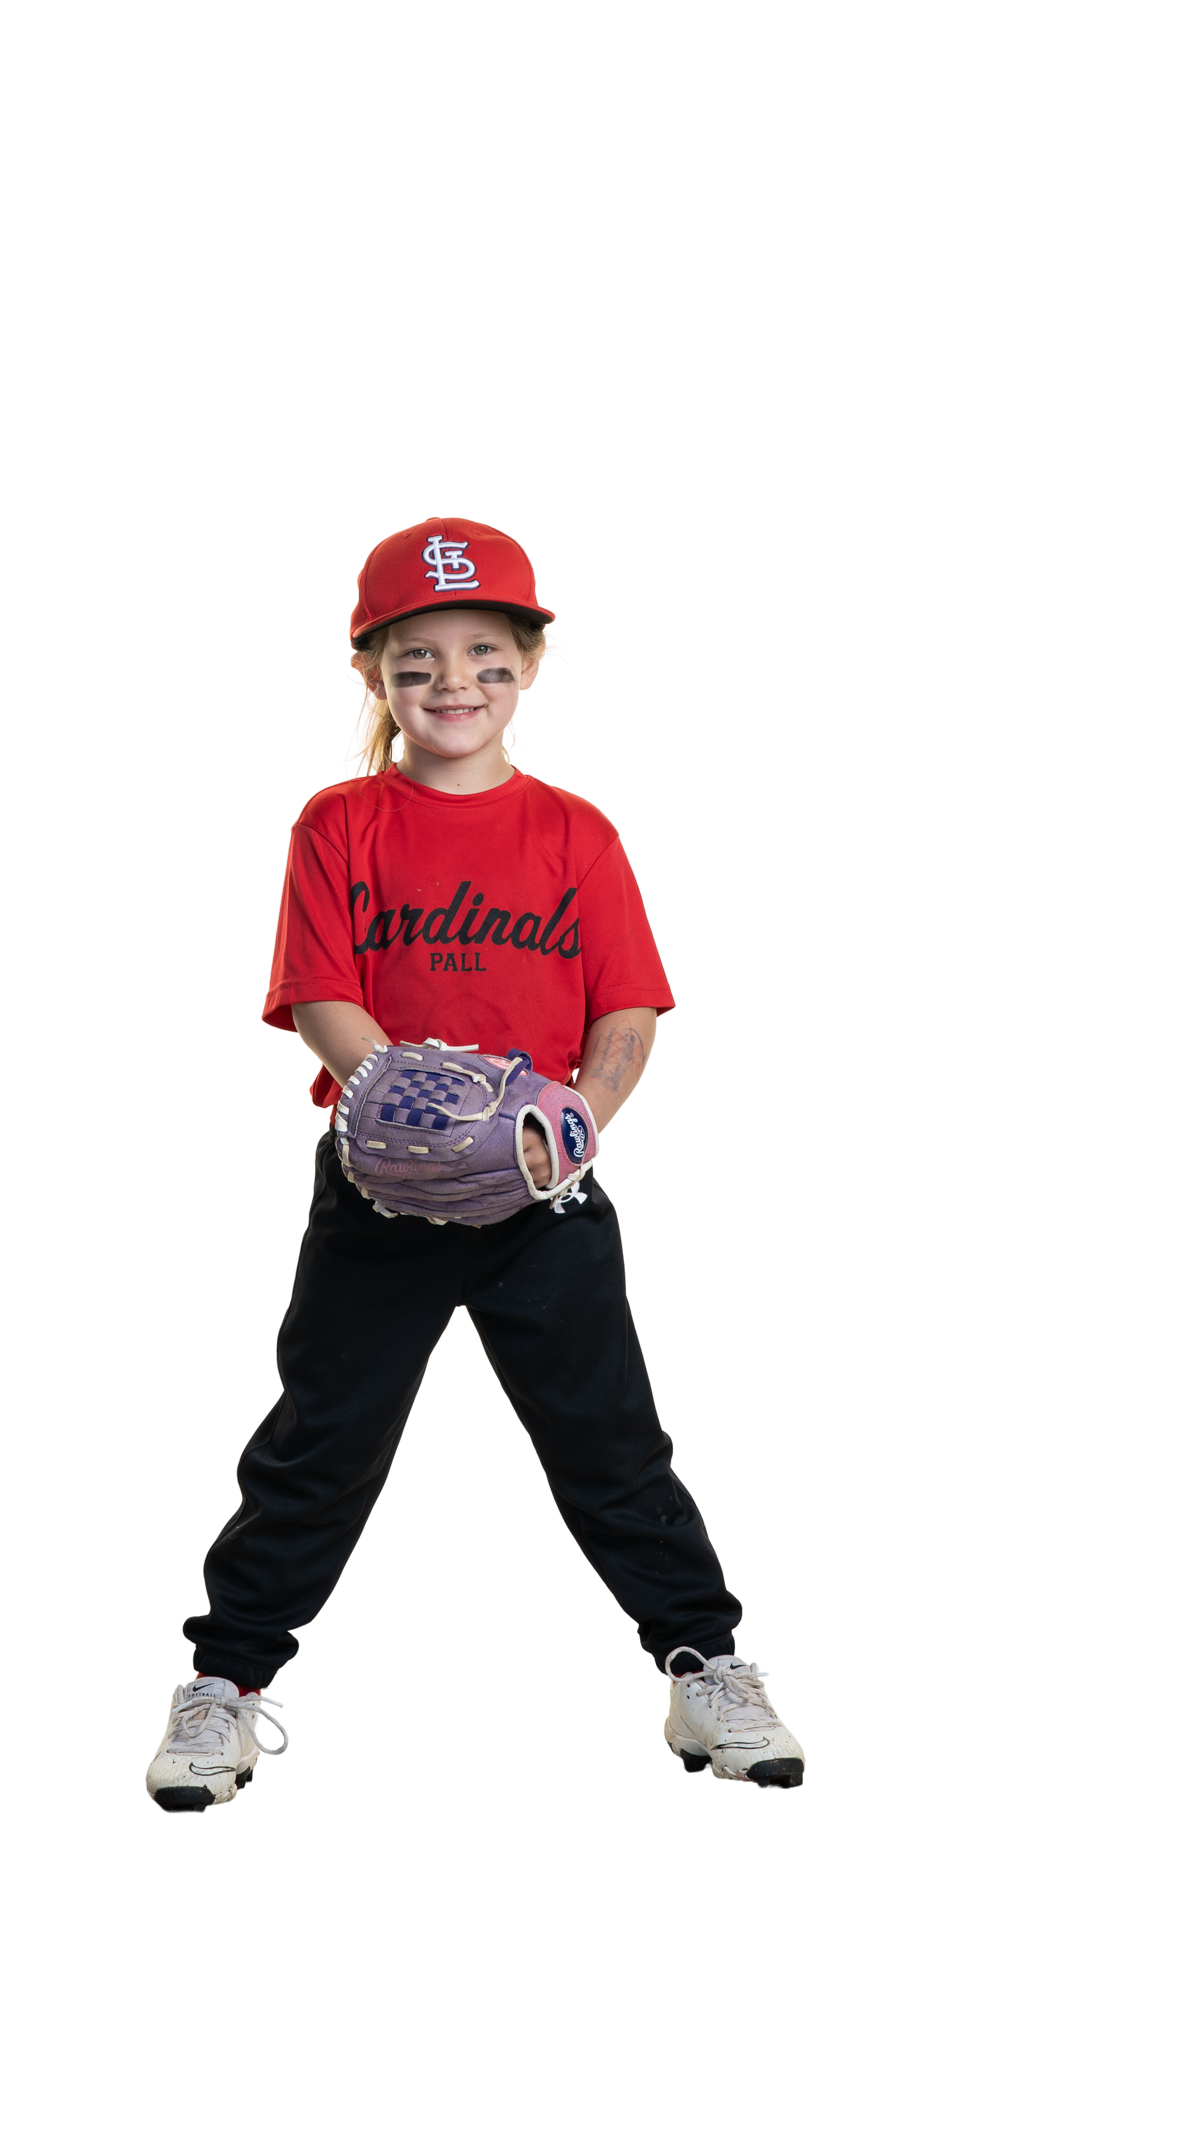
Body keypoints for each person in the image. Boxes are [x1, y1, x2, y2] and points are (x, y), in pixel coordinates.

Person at [144, 517, 806, 1812]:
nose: (454, 683)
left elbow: (627, 1014)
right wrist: (413, 1106)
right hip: (378, 1190)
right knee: (322, 1440)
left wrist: (572, 1123)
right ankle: (225, 1680)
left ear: (533, 663)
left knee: (613, 1439)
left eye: (486, 656)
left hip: (547, 1191)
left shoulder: (575, 830)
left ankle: (708, 1664)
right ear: (373, 673)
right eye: (419, 660)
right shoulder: (339, 821)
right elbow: (322, 993)